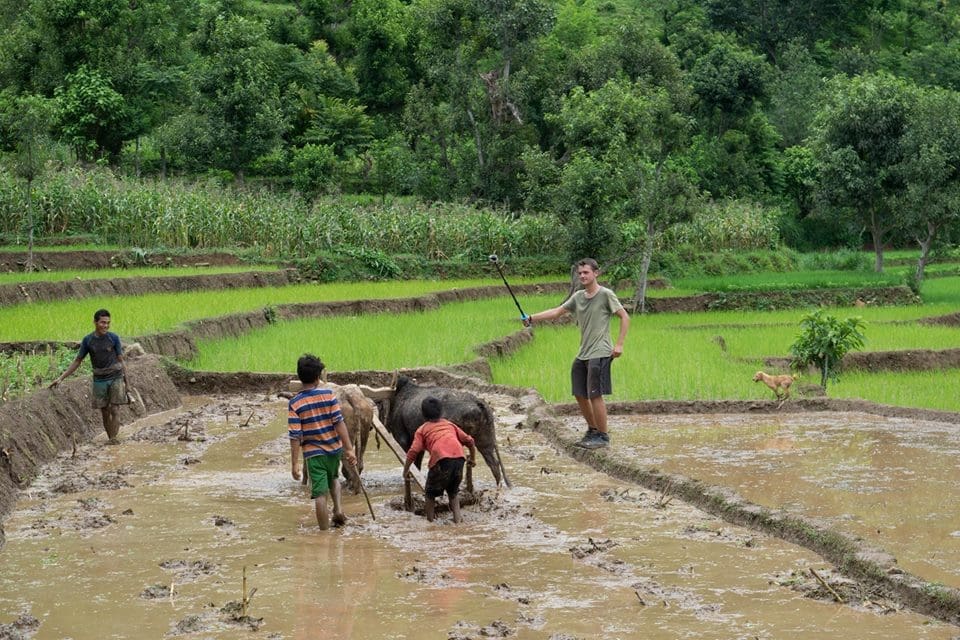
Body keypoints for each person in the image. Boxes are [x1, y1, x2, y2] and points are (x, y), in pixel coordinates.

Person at [522, 258, 630, 449]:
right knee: (580, 393)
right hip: (583, 353)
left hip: (600, 351)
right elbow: (557, 312)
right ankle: (592, 430)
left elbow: (624, 317)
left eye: (586, 272)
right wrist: (532, 318)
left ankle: (603, 437)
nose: (582, 276)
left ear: (596, 273)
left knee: (595, 394)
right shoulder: (579, 296)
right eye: (580, 273)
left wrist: (619, 344)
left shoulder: (606, 294)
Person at [288, 354, 358, 531]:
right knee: (334, 478)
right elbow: (339, 422)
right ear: (318, 377)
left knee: (319, 493)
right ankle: (339, 509)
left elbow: (295, 435)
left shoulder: (295, 403)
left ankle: (324, 533)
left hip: (314, 454)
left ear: (299, 376)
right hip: (334, 449)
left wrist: (295, 463)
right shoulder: (328, 395)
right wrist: (349, 448)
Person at [50, 308, 127, 445]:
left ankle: (113, 439)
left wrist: (127, 382)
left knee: (115, 408)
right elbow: (77, 361)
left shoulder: (114, 338)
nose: (106, 326)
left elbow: (121, 360)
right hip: (99, 378)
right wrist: (61, 378)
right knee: (104, 410)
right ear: (95, 322)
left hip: (116, 376)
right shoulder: (88, 340)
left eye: (108, 323)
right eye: (103, 322)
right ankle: (111, 438)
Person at [402, 396, 477, 523]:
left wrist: (405, 470)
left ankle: (430, 522)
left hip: (441, 460)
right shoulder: (450, 425)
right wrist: (473, 459)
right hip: (459, 458)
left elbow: (413, 451)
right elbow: (470, 441)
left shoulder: (422, 429)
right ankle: (457, 521)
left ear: (423, 414)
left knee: (430, 494)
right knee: (453, 492)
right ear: (441, 412)